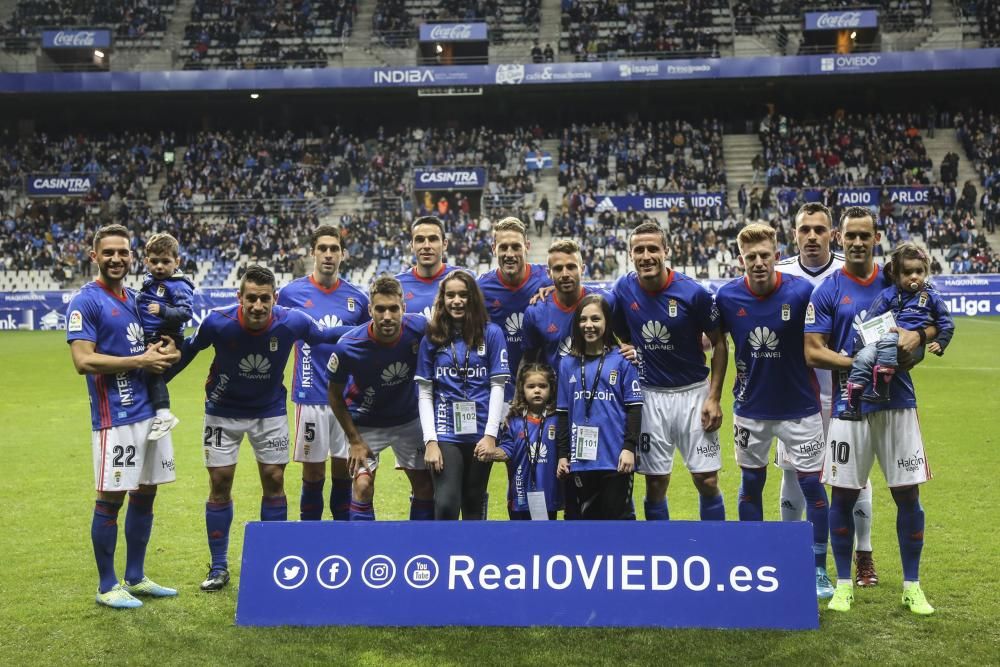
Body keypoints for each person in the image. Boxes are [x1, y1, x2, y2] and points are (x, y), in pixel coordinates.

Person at [169, 265, 344, 592]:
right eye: (251, 299)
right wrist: (158, 382)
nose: (258, 306)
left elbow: (323, 337)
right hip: (222, 411)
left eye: (265, 299)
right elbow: (190, 351)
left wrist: (373, 327)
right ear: (240, 297)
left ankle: (271, 561)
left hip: (269, 411)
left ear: (275, 298)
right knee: (220, 482)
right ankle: (219, 565)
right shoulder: (218, 322)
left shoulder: (292, 320)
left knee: (274, 479)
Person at [805, 207, 940, 615]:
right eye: (851, 236)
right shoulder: (827, 290)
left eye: (865, 235)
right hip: (852, 405)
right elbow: (813, 351)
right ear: (839, 238)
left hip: (898, 403)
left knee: (908, 495)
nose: (858, 242)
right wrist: (862, 360)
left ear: (876, 238)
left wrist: (918, 337)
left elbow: (934, 320)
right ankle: (844, 583)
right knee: (842, 495)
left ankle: (912, 586)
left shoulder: (896, 278)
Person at [715, 223, 834, 600]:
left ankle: (816, 568)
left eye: (765, 255)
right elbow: (708, 341)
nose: (759, 262)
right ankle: (754, 561)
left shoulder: (802, 293)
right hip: (750, 410)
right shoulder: (727, 296)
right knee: (751, 485)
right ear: (741, 260)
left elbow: (825, 336)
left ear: (776, 255)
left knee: (813, 486)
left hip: (800, 407)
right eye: (751, 257)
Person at [67, 224, 181, 609]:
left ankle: (135, 576)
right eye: (109, 252)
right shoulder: (86, 301)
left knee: (145, 494)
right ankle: (106, 585)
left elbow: (151, 348)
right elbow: (83, 360)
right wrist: (140, 360)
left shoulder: (135, 297)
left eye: (123, 252)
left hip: (149, 413)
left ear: (132, 257)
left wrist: (167, 353)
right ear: (94, 255)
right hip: (115, 416)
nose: (117, 259)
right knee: (111, 498)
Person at [774, 202, 881, 586]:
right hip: (796, 396)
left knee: (854, 478)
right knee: (792, 474)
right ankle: (792, 554)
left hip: (847, 393)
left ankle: (863, 557)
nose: (813, 237)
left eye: (820, 229)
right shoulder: (778, 272)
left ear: (832, 234)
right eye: (806, 230)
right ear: (795, 233)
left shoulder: (847, 269)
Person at [612, 221, 727, 522]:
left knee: (707, 481)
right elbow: (609, 324)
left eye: (653, 248)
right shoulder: (623, 289)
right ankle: (660, 551)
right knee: (655, 484)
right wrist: (631, 348)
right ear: (630, 254)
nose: (646, 255)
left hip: (694, 393)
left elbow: (719, 344)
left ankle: (716, 548)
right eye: (639, 249)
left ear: (666, 251)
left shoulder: (693, 293)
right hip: (650, 397)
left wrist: (714, 397)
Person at [277, 225, 369, 521]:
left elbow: (366, 344)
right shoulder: (290, 294)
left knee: (344, 470)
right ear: (312, 252)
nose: (328, 254)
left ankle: (339, 538)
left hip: (345, 399)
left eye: (334, 249)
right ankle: (310, 539)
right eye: (322, 249)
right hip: (309, 395)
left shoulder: (358, 299)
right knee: (313, 473)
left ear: (343, 254)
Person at [326, 276, 434, 521]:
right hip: (366, 423)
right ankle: (365, 550)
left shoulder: (420, 328)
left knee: (425, 487)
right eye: (380, 309)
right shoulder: (348, 346)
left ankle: (421, 551)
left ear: (403, 308)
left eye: (393, 309)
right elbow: (334, 395)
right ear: (370, 310)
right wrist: (354, 440)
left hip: (409, 420)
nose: (387, 316)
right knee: (362, 486)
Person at [416, 271, 510, 520]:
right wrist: (431, 441)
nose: (456, 301)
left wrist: (491, 436)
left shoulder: (491, 333)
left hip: (481, 433)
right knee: (446, 504)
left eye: (463, 295)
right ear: (442, 299)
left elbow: (498, 387)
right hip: (446, 433)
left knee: (473, 504)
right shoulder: (432, 336)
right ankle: (443, 556)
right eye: (451, 295)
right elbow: (425, 393)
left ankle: (473, 557)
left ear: (473, 299)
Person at [841, 242, 955, 420]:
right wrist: (859, 347)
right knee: (862, 359)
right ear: (896, 275)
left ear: (926, 272)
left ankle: (881, 390)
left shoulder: (931, 296)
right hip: (883, 342)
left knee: (889, 338)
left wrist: (941, 343)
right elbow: (870, 320)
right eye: (908, 273)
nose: (914, 277)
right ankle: (852, 407)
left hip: (908, 344)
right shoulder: (888, 294)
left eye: (919, 272)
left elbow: (946, 322)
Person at [555, 294, 642, 520]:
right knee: (582, 526)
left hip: (615, 460)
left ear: (607, 322)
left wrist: (629, 447)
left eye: (596, 319)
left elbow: (634, 408)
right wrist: (563, 455)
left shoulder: (623, 360)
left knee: (615, 524)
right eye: (583, 320)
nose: (589, 325)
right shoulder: (567, 364)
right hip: (579, 462)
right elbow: (563, 414)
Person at [477, 217, 552, 407]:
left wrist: (559, 290)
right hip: (497, 393)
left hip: (540, 391)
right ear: (494, 248)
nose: (509, 254)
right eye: (503, 247)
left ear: (527, 246)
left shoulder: (548, 279)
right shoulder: (481, 288)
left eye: (516, 247)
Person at [522, 239, 612, 372]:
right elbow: (529, 361)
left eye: (571, 267)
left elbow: (623, 341)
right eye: (558, 269)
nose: (565, 274)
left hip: (597, 389)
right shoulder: (535, 312)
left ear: (582, 269)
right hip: (556, 390)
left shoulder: (607, 301)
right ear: (549, 273)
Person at [136, 232, 193, 441]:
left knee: (153, 374)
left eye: (165, 262)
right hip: (151, 335)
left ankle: (163, 414)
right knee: (147, 375)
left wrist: (162, 311)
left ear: (177, 262)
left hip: (165, 336)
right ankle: (154, 415)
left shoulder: (178, 284)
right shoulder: (150, 281)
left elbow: (186, 312)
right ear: (146, 261)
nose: (159, 266)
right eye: (154, 261)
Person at [491, 363, 562, 520]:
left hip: (548, 496)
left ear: (551, 389)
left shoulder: (557, 420)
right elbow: (507, 450)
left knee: (546, 539)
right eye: (531, 386)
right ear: (522, 389)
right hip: (519, 496)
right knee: (520, 540)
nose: (537, 390)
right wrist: (491, 452)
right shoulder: (513, 422)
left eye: (543, 386)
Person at [396, 216, 466, 319]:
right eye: (420, 240)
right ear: (411, 246)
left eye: (433, 239)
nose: (427, 246)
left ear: (445, 244)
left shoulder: (466, 279)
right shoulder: (397, 285)